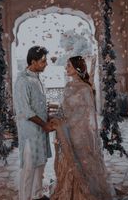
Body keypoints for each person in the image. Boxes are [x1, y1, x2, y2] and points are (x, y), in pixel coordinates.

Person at [50, 56, 113, 200]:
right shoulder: (67, 86)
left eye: (69, 66)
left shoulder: (85, 89)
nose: (66, 68)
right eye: (67, 66)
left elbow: (86, 114)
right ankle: (70, 192)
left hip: (80, 133)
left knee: (82, 162)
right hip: (67, 131)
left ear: (77, 69)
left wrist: (64, 123)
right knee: (69, 161)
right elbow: (63, 108)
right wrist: (55, 118)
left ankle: (84, 192)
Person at [14, 46, 54, 200]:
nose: (46, 64)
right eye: (43, 61)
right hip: (30, 132)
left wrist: (48, 118)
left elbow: (39, 105)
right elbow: (25, 110)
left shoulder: (36, 77)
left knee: (40, 164)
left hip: (40, 131)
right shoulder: (23, 81)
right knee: (29, 168)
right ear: (33, 62)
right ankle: (25, 197)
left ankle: (37, 195)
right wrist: (44, 125)